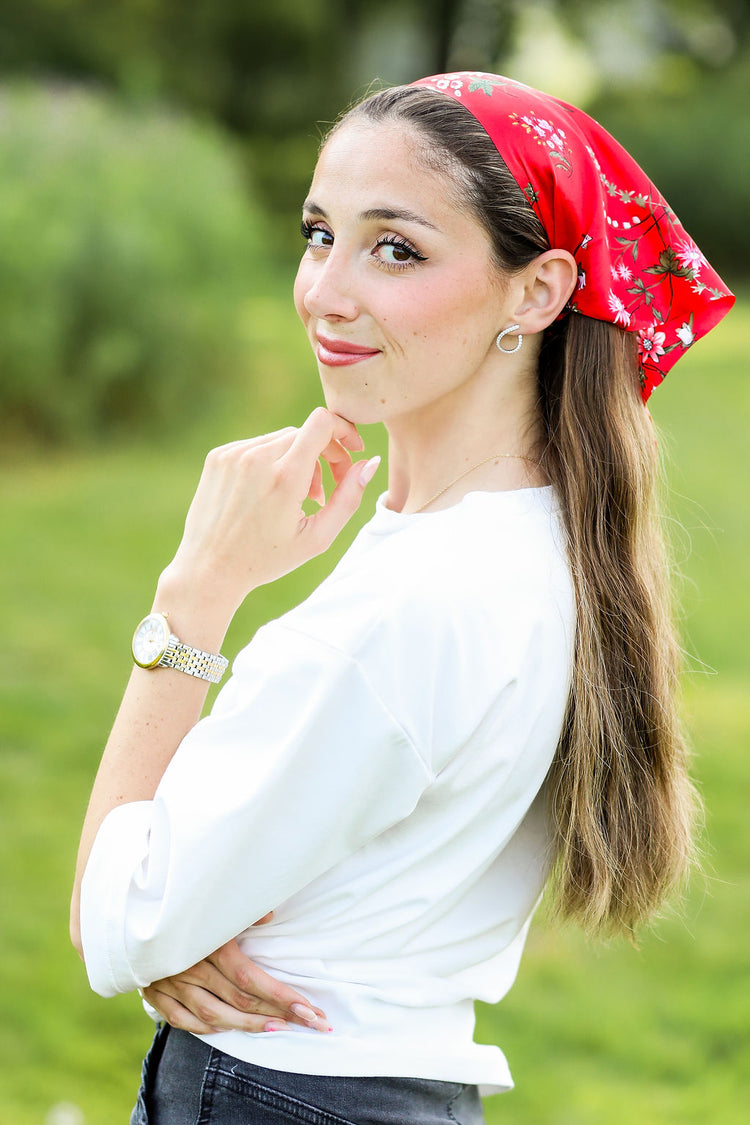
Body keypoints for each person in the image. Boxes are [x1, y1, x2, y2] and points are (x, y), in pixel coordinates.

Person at [70, 72, 734, 1124]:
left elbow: (118, 924)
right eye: (318, 232)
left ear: (537, 291)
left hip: (280, 1093)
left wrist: (193, 604)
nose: (326, 291)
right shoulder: (542, 540)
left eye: (397, 249)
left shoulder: (411, 610)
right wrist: (173, 931)